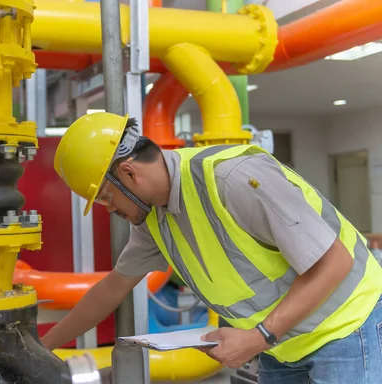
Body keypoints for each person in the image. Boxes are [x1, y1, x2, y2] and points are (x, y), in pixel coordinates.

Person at [43, 111, 382, 383]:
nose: (111, 209)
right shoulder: (153, 221)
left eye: (105, 197)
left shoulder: (232, 179)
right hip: (284, 343)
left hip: (346, 326)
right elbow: (111, 289)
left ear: (128, 173)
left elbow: (336, 262)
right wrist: (41, 350)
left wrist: (259, 337)